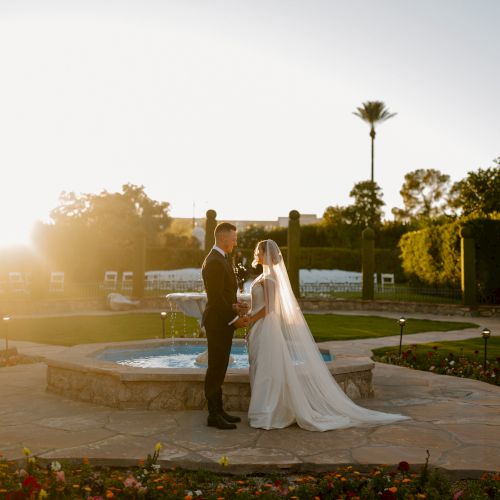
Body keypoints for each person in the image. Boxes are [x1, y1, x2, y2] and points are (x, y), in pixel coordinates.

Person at [245, 239, 410, 431]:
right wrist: (248, 312)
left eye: (258, 251)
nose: (256, 254)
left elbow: (270, 309)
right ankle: (263, 410)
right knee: (261, 366)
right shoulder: (262, 278)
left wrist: (250, 319)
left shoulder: (271, 279)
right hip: (259, 326)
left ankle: (268, 412)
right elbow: (260, 305)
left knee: (268, 370)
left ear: (266, 254)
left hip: (266, 328)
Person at [201, 222, 249, 430]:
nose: (235, 242)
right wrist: (233, 319)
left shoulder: (221, 258)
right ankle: (213, 415)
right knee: (215, 368)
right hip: (218, 323)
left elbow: (223, 295)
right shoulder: (214, 261)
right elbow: (214, 299)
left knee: (220, 367)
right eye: (233, 238)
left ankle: (219, 410)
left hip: (223, 321)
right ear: (222, 238)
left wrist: (235, 306)